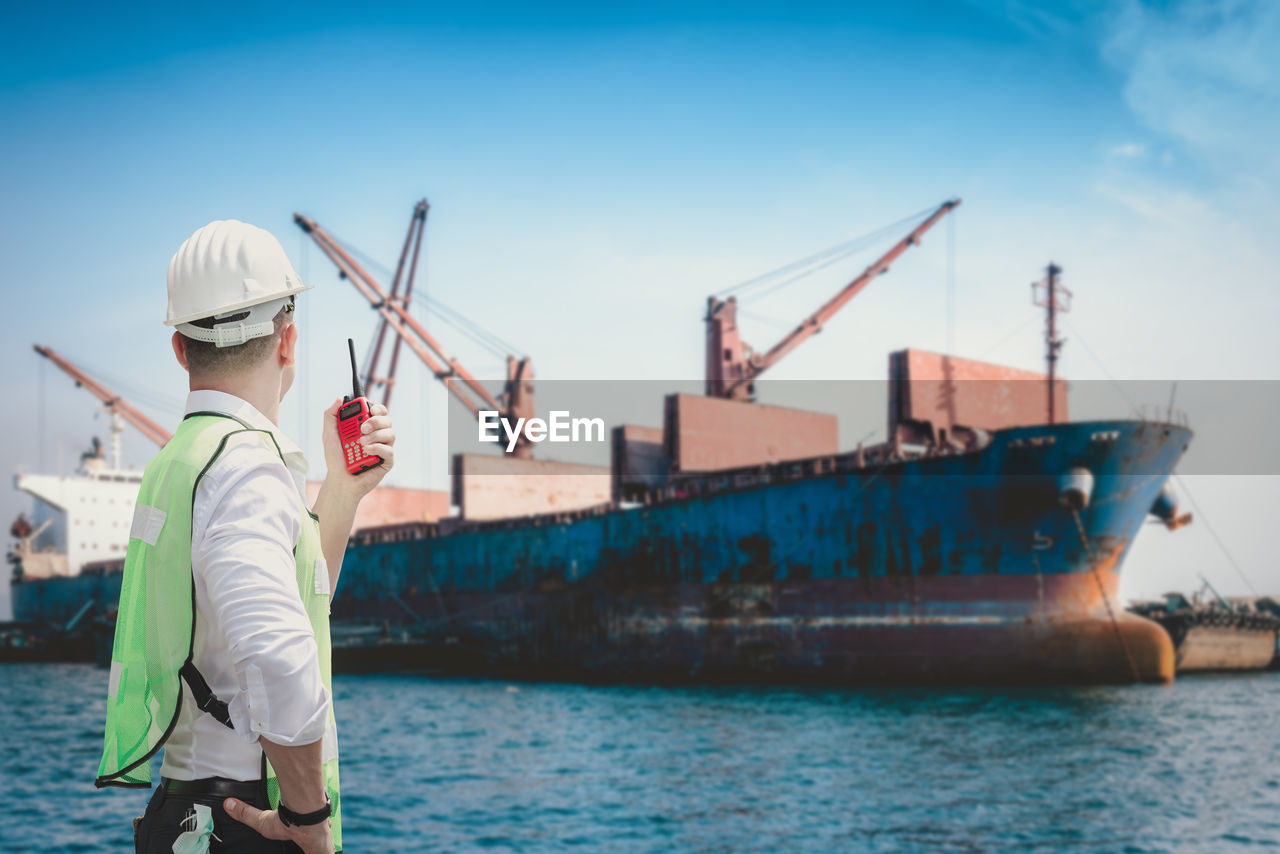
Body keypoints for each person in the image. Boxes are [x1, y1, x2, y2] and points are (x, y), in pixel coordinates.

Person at [96, 219, 397, 853]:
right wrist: (308, 823)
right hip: (246, 820)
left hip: (183, 813)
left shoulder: (179, 462)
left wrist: (341, 493)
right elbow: (280, 655)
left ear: (180, 350)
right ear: (289, 341)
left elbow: (292, 606)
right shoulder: (247, 468)